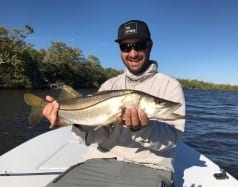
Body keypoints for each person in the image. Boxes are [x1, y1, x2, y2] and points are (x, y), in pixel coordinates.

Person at [43, 20, 185, 187]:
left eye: (139, 45)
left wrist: (143, 129)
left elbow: (172, 138)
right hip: (99, 160)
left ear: (150, 46)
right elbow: (97, 135)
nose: (132, 53)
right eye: (125, 47)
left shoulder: (170, 85)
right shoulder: (109, 85)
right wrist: (71, 122)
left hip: (150, 167)